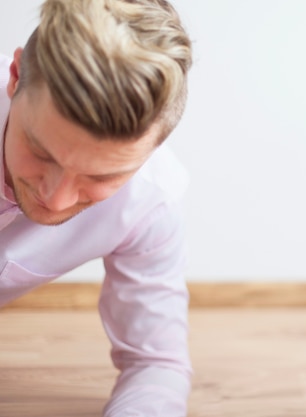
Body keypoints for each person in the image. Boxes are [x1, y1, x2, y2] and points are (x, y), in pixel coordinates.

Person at [1, 0, 193, 415]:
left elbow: (156, 363)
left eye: (101, 177)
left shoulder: (152, 199)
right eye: (40, 151)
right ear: (14, 78)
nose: (56, 200)